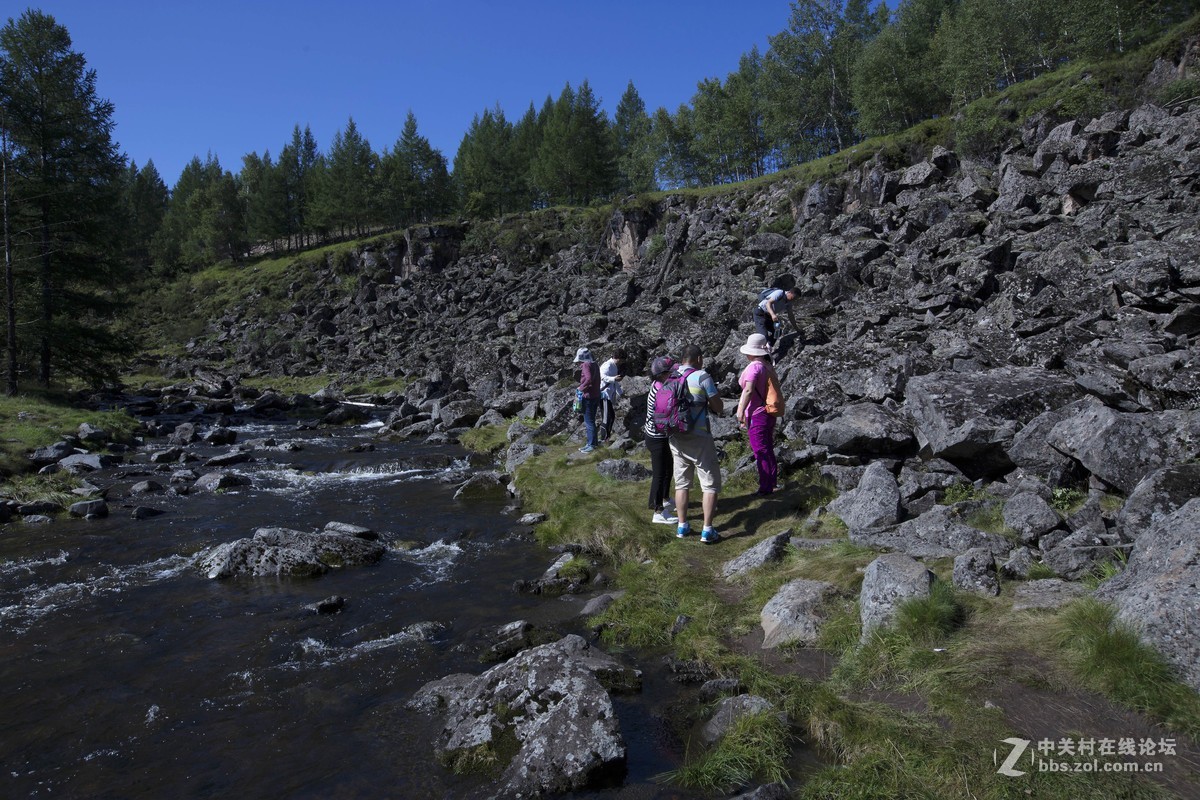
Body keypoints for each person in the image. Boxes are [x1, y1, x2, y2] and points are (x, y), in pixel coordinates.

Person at [668, 344, 723, 544]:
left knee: (682, 482)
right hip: (699, 435)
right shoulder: (702, 377)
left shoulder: (670, 376)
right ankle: (707, 530)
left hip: (675, 435)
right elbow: (718, 406)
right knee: (709, 483)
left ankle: (682, 525)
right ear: (698, 358)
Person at [736, 333, 779, 495]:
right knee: (768, 448)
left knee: (760, 450)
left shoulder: (754, 367)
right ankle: (772, 482)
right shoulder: (768, 366)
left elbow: (748, 390)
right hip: (768, 411)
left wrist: (740, 411)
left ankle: (765, 487)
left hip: (756, 414)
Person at [643, 356, 676, 525]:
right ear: (663, 374)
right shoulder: (662, 390)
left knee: (668, 468)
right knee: (659, 474)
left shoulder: (658, 385)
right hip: (657, 437)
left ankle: (665, 498)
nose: (673, 373)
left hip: (658, 435)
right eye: (670, 371)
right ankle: (657, 510)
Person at [574, 347, 601, 453]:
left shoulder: (586, 365)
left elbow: (589, 378)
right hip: (596, 395)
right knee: (592, 421)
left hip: (588, 396)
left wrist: (581, 388)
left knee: (589, 422)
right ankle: (592, 443)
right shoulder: (595, 364)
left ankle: (591, 445)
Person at [598, 348, 626, 441]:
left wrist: (620, 392)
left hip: (609, 395)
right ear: (618, 358)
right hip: (604, 395)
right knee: (607, 417)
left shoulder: (614, 365)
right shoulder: (607, 365)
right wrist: (614, 378)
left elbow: (614, 381)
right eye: (622, 360)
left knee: (611, 416)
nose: (623, 362)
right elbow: (603, 377)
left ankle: (606, 437)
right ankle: (603, 439)